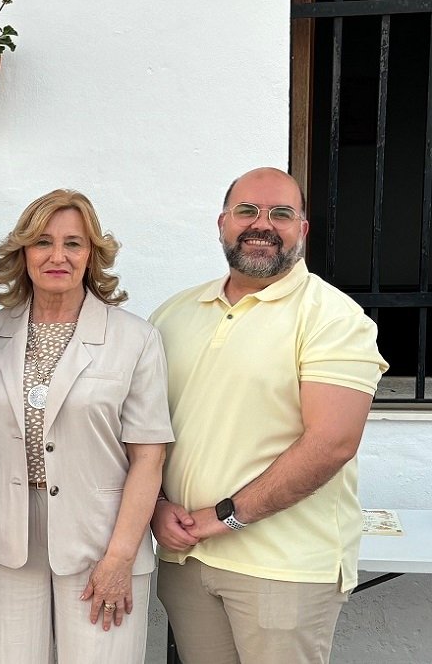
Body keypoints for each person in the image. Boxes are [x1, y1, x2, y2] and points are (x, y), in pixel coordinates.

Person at [149, 167, 388, 664]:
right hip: (186, 557)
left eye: (281, 213)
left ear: (302, 229)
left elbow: (332, 442)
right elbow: (145, 427)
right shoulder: (174, 314)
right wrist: (157, 502)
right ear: (222, 223)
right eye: (247, 211)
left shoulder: (333, 318)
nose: (262, 224)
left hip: (284, 569)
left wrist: (227, 516)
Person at [0, 189, 171, 663]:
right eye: (42, 242)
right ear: (23, 253)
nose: (57, 256)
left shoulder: (135, 339)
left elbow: (148, 458)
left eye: (73, 243)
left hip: (102, 538)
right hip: (5, 533)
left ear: (92, 254)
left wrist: (119, 558)